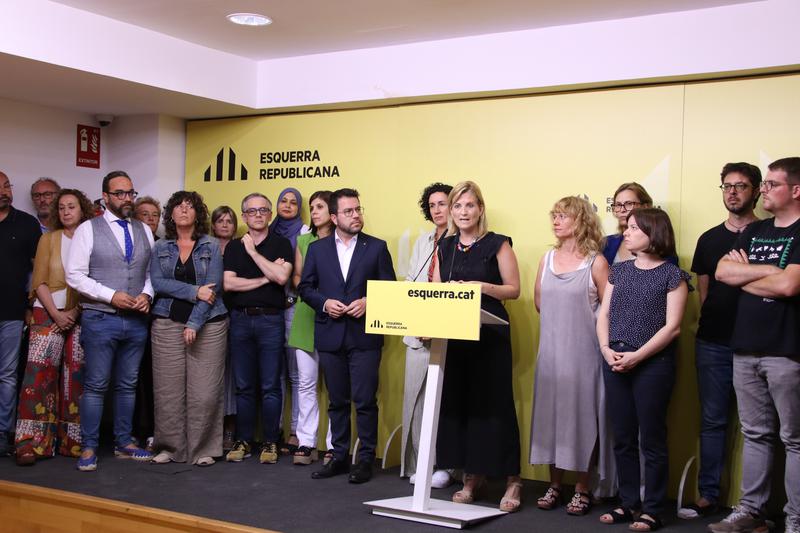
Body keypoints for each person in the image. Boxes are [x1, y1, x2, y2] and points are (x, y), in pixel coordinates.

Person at [711, 157, 800, 533]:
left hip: (788, 350)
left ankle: (796, 518)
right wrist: (769, 273)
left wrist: (746, 276)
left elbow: (789, 286)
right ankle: (751, 512)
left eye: (772, 184)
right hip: (745, 349)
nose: (763, 189)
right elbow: (721, 272)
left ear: (796, 190)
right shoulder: (755, 230)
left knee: (794, 439)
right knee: (755, 434)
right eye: (763, 184)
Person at [596, 207, 690, 532]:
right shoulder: (618, 271)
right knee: (622, 437)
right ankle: (627, 504)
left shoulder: (672, 275)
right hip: (615, 359)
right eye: (628, 227)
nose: (627, 231)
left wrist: (638, 356)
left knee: (651, 438)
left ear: (654, 233)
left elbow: (673, 327)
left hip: (653, 364)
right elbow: (603, 315)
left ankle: (652, 509)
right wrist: (607, 350)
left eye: (635, 228)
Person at [432, 181, 523, 512]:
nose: (463, 212)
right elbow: (438, 290)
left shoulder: (498, 244)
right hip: (456, 336)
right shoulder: (445, 247)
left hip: (491, 337)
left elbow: (513, 290)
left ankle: (513, 481)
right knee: (464, 405)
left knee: (495, 405)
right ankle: (473, 476)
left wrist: (480, 287)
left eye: (469, 205)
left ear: (480, 209)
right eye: (457, 206)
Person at [298, 188, 396, 484]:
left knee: (365, 400)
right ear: (334, 217)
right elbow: (306, 288)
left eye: (358, 209)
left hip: (364, 336)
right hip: (330, 334)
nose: (356, 215)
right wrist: (325, 303)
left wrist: (369, 301)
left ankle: (364, 459)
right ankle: (338, 456)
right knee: (336, 401)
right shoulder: (317, 249)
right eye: (349, 211)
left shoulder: (377, 247)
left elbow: (390, 288)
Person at [685, 162, 761, 519]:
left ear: (757, 190)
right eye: (727, 186)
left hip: (758, 343)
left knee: (758, 428)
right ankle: (709, 494)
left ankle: (755, 505)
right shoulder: (709, 239)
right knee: (713, 420)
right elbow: (704, 288)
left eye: (741, 186)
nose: (732, 192)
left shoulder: (767, 234)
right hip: (713, 341)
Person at [65, 170, 155, 471]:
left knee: (128, 384)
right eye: (120, 193)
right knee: (96, 384)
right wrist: (109, 295)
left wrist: (147, 295)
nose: (127, 198)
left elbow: (150, 274)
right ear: (105, 197)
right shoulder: (88, 230)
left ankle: (124, 441)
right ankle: (88, 447)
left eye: (130, 193)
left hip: (137, 320)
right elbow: (74, 275)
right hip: (100, 318)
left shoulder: (145, 230)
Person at [530, 196, 613, 515]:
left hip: (584, 356)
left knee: (581, 420)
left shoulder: (596, 262)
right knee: (551, 418)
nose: (556, 220)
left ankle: (582, 488)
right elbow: (539, 302)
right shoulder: (546, 258)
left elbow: (609, 309)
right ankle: (555, 485)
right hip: (550, 353)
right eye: (554, 215)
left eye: (564, 215)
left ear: (582, 221)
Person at [14, 189, 93, 465]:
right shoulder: (48, 239)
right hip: (47, 312)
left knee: (77, 378)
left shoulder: (92, 239)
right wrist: (56, 315)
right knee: (38, 377)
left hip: (80, 313)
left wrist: (73, 311)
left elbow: (93, 281)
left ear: (82, 209)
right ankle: (30, 444)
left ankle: (73, 443)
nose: (66, 212)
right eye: (61, 208)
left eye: (71, 206)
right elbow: (39, 282)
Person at [149, 191, 228, 467]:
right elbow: (159, 284)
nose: (184, 210)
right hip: (166, 322)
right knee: (168, 390)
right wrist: (194, 291)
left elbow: (213, 289)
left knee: (204, 392)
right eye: (179, 207)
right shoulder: (160, 247)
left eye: (190, 206)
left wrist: (194, 322)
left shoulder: (210, 245)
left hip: (208, 324)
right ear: (170, 214)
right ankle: (170, 448)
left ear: (198, 214)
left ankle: (203, 449)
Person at [223, 193, 293, 464]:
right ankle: (243, 439)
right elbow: (229, 284)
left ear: (270, 214)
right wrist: (267, 276)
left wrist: (253, 253)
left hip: (270, 321)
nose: (258, 214)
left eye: (263, 210)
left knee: (270, 386)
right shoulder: (233, 247)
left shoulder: (281, 244)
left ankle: (270, 442)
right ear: (244, 216)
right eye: (252, 211)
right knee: (243, 386)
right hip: (240, 319)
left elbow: (283, 277)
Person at [400, 182, 454, 487]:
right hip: (417, 333)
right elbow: (411, 280)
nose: (437, 210)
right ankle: (423, 462)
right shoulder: (423, 241)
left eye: (443, 203)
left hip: (447, 333)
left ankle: (446, 465)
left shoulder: (462, 241)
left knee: (444, 402)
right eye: (432, 205)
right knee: (417, 401)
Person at [287, 190, 334, 465]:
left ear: (333, 211)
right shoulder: (303, 240)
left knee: (335, 386)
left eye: (320, 207)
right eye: (312, 207)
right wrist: (309, 289)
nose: (314, 212)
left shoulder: (344, 242)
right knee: (305, 383)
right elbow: (296, 275)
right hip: (305, 314)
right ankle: (306, 442)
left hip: (334, 316)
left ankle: (332, 445)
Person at [0, 170, 42, 457]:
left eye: (7, 186)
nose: (4, 191)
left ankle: (3, 434)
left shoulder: (27, 224)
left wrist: (30, 305)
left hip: (12, 312)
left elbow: (36, 270)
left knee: (7, 375)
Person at [269, 187, 309, 455]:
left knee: (296, 374)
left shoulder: (305, 232)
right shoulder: (266, 232)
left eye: (293, 202)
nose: (287, 205)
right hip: (270, 309)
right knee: (275, 374)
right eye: (283, 200)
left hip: (294, 307)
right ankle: (274, 432)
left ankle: (295, 431)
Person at [211, 205, 238, 451]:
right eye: (220, 220)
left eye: (229, 220)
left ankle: (229, 429)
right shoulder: (205, 248)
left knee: (231, 375)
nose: (225, 224)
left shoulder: (240, 248)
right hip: (207, 317)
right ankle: (209, 430)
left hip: (234, 316)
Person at [603, 182, 653, 264]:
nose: (622, 210)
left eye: (629, 204)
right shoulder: (606, 243)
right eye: (618, 205)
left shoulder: (659, 245)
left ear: (645, 206)